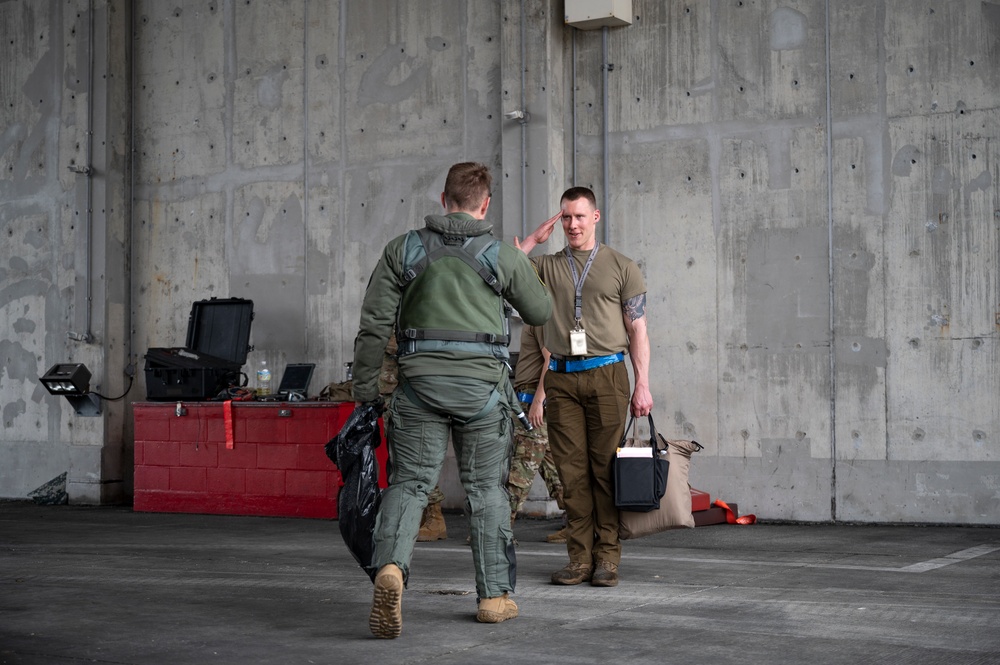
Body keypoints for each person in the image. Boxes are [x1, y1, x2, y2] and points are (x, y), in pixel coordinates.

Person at [351, 162, 552, 638]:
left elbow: (374, 325)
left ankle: (392, 570)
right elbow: (540, 310)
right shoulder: (501, 255)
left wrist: (365, 394)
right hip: (483, 393)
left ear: (443, 201)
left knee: (411, 484)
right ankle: (494, 598)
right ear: (485, 205)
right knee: (486, 492)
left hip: (418, 390)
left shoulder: (404, 249)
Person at [516, 186, 652, 588]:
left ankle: (607, 558)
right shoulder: (547, 265)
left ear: (595, 217)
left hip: (608, 374)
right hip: (560, 376)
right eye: (565, 217)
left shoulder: (622, 266)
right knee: (572, 474)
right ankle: (579, 559)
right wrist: (531, 241)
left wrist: (642, 382)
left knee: (605, 470)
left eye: (579, 216)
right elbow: (505, 269)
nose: (572, 225)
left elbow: (637, 328)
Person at [507, 324, 566, 541]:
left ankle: (498, 529)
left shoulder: (540, 318)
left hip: (532, 401)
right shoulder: (539, 319)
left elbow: (550, 360)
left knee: (522, 466)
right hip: (533, 400)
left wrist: (538, 402)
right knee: (553, 467)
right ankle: (581, 525)